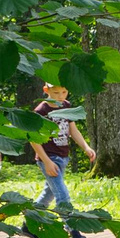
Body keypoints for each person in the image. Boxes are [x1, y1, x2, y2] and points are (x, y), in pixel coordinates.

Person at [36, 82, 99, 226]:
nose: (60, 96)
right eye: (56, 93)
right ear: (46, 90)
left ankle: (29, 224)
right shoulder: (41, 111)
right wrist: (46, 162)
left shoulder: (66, 105)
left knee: (48, 194)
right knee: (62, 195)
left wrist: (86, 147)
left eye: (64, 92)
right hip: (49, 158)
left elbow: (73, 129)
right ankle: (72, 229)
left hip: (63, 157)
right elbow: (33, 139)